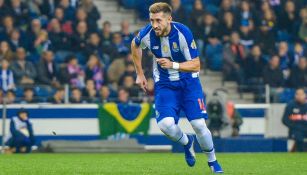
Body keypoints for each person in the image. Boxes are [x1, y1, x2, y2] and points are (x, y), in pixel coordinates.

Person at [131, 3, 223, 173]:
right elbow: (135, 45)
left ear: (169, 19)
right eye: (152, 20)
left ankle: (213, 162)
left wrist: (173, 64)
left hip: (189, 84)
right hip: (165, 85)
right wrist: (140, 74)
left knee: (199, 124)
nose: (154, 25)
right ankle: (187, 142)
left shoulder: (183, 33)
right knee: (165, 125)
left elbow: (196, 65)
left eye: (158, 20)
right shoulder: (147, 34)